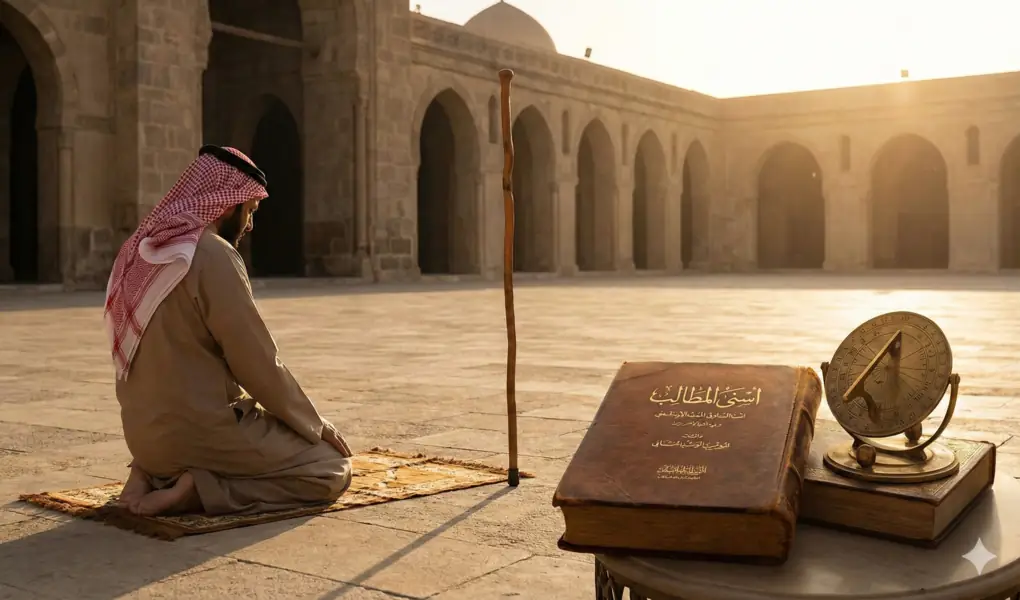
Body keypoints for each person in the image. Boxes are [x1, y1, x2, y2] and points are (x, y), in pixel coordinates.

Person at [103, 145, 354, 517]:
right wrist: (313, 424)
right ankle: (197, 490)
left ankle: (150, 473)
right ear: (227, 203)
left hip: (141, 438)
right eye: (249, 211)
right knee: (329, 468)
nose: (250, 225)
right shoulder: (211, 254)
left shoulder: (139, 251)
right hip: (197, 432)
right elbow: (257, 364)